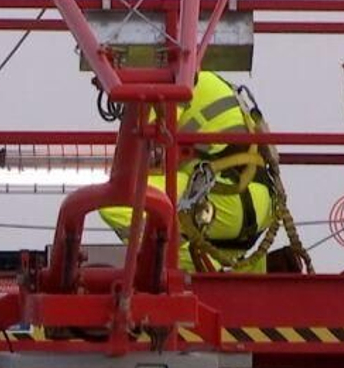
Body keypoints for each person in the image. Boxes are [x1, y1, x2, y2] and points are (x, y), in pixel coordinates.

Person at [97, 71, 276, 272]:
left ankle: (173, 265)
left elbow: (149, 143)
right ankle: (225, 276)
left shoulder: (172, 81)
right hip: (257, 210)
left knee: (117, 197)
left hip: (226, 198)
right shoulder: (208, 82)